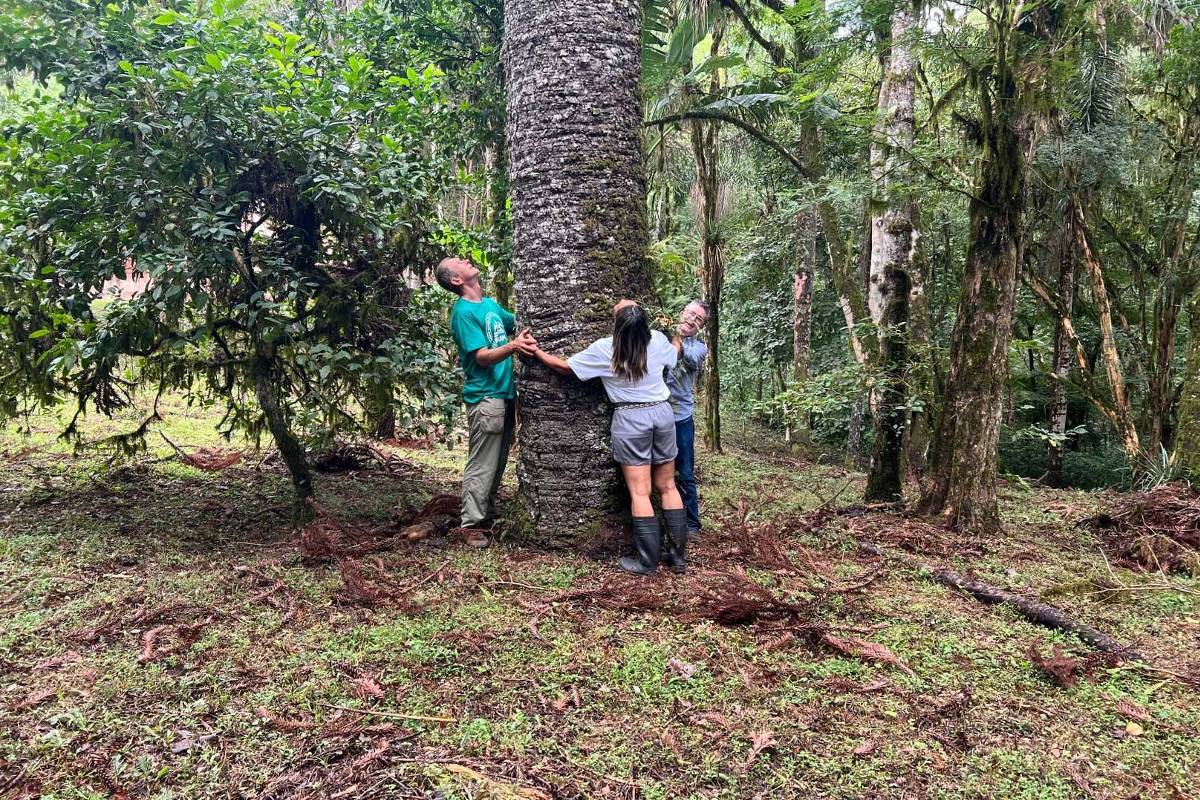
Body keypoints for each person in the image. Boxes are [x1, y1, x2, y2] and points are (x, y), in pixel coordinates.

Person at [531, 300, 690, 575]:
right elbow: (675, 354)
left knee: (640, 491)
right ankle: (677, 559)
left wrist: (539, 354)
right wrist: (678, 338)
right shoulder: (659, 341)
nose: (621, 301)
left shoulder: (606, 349)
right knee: (668, 486)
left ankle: (647, 562)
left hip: (631, 419)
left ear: (617, 325)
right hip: (663, 414)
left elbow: (566, 368)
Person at [435, 256, 537, 547]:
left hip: (504, 396)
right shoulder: (464, 313)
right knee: (482, 462)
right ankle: (470, 525)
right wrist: (514, 346)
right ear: (456, 280)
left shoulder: (489, 305)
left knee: (498, 461)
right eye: (460, 262)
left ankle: (486, 517)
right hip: (485, 398)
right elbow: (480, 355)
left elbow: (516, 323)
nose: (466, 260)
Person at [665, 300, 709, 538]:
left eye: (698, 318)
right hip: (656, 414)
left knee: (684, 471)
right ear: (682, 312)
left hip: (680, 417)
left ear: (701, 326)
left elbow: (688, 359)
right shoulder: (659, 335)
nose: (692, 319)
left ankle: (692, 525)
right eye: (690, 313)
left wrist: (677, 338)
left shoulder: (699, 348)